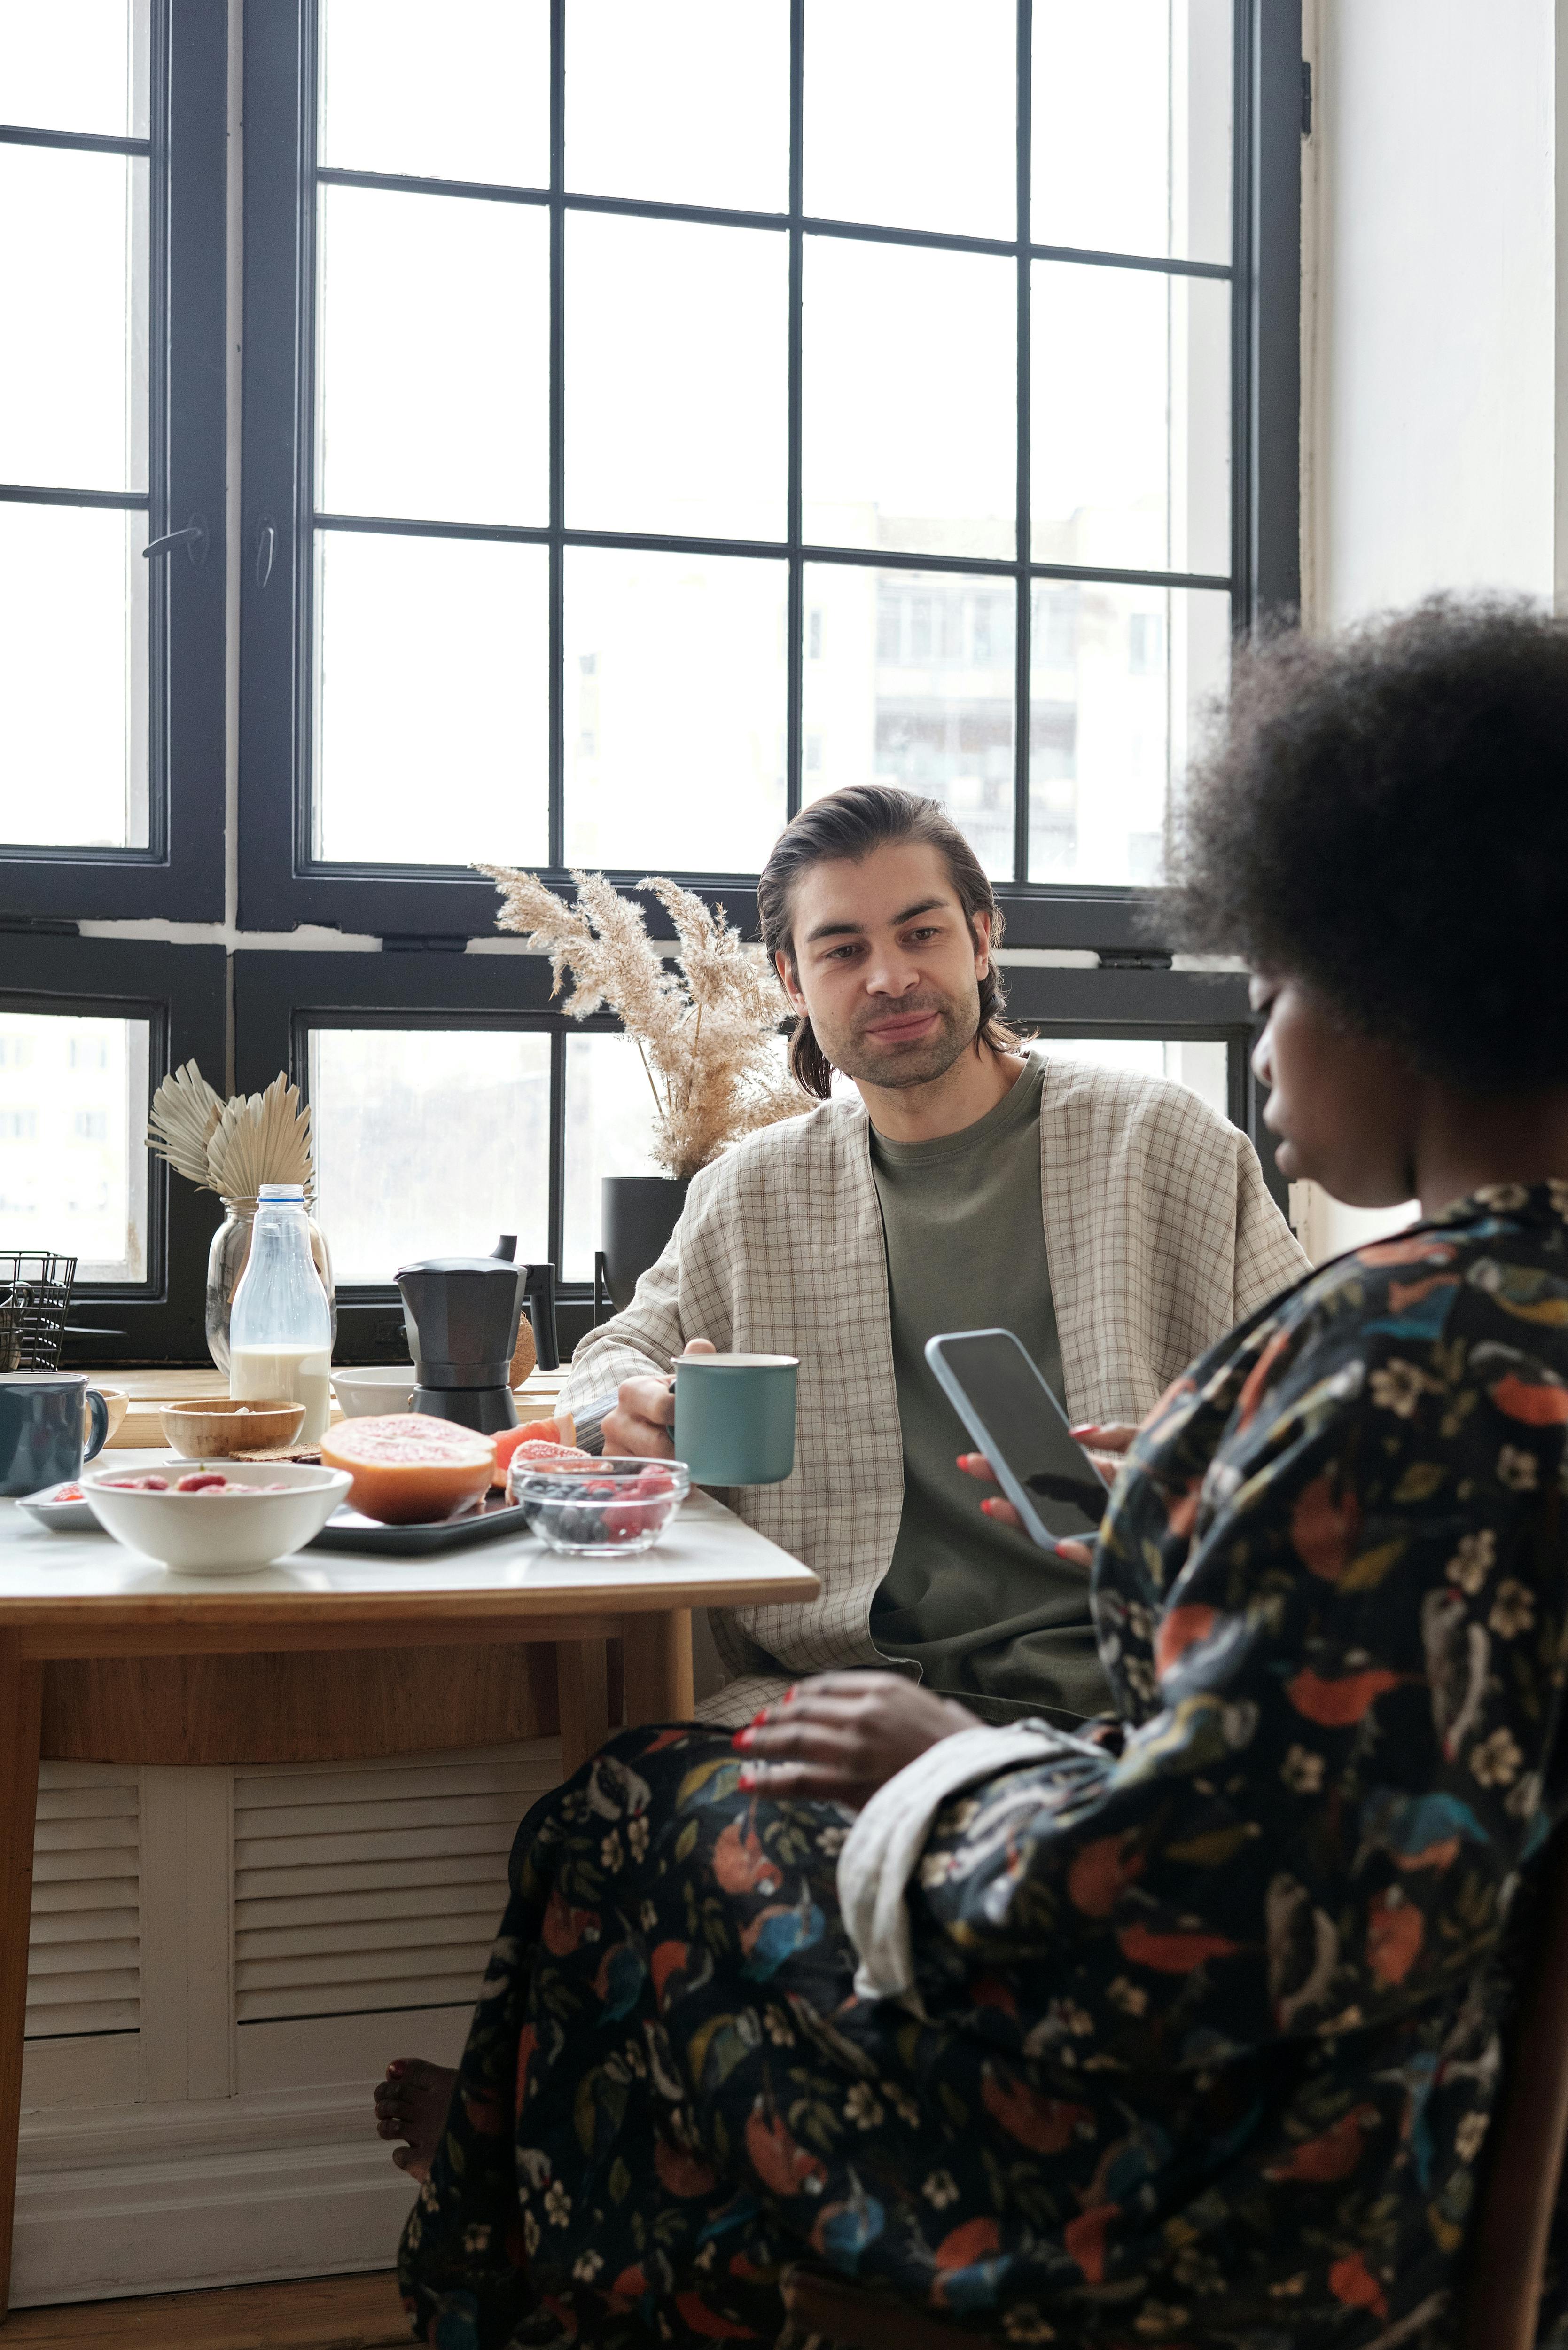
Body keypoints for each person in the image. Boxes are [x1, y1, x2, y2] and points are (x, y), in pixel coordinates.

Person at [380, 596, 1568, 2349]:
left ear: (1403, 989)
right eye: (839, 947)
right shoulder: (1475, 1336)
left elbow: (1170, 1907)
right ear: (793, 981)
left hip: (1211, 2168)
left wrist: (940, 1761)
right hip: (1409, 2089)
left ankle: (526, 2238)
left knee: (634, 1855)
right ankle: (522, 2191)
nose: (1256, 1042)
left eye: (1279, 982)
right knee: (629, 1836)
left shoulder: (1379, 1373)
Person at [563, 783, 1305, 1730]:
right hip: (844, 1702)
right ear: (791, 979)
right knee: (592, 1818)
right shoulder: (753, 1194)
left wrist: (1196, 1486)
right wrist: (622, 1421)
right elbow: (608, 1361)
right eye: (843, 950)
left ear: (982, 937)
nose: (889, 977)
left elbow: (1324, 1411)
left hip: (1139, 1697)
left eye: (921, 934)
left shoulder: (1159, 1143)